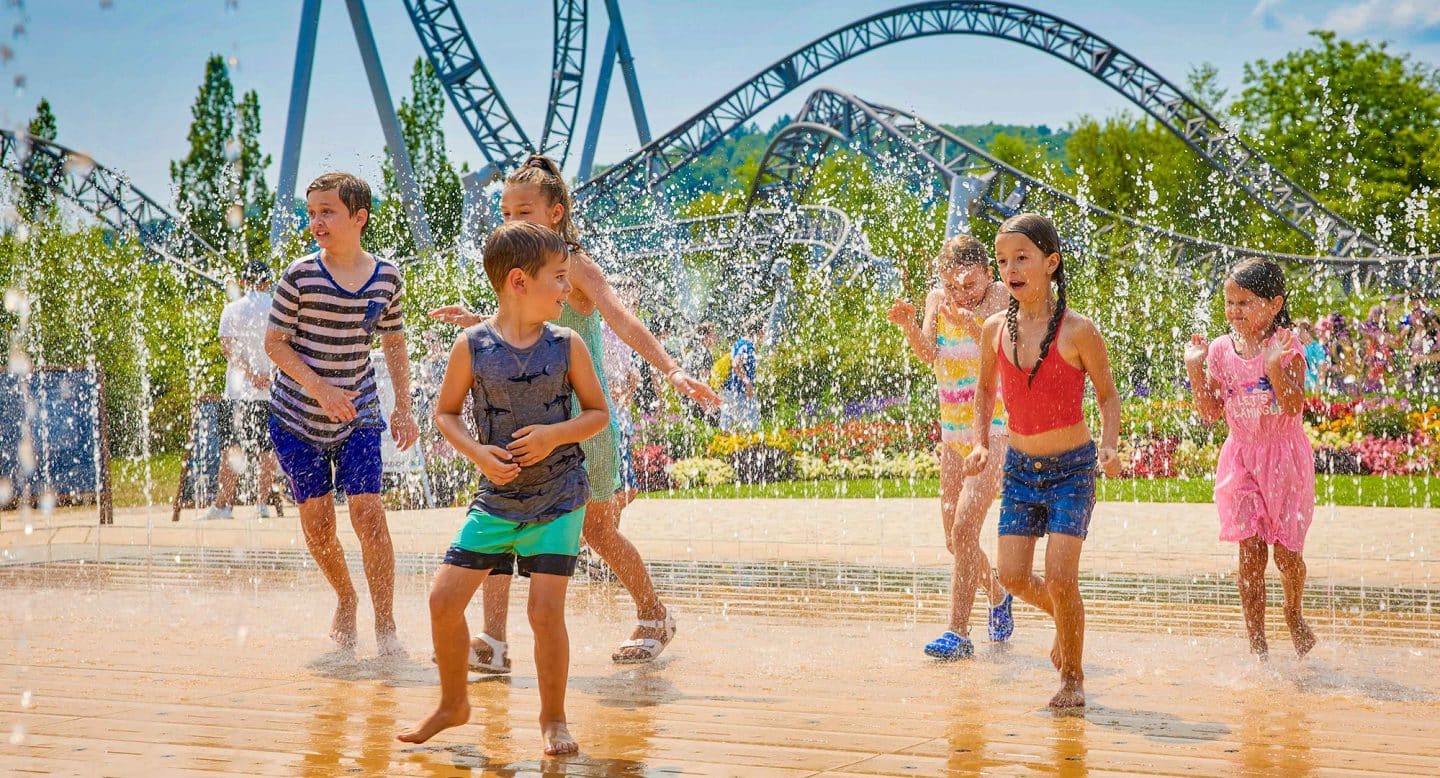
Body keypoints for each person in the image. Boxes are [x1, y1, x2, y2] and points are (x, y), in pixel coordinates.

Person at [429, 155, 721, 668]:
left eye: (524, 211)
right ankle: (493, 642)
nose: (512, 222)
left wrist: (672, 369)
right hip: (523, 419)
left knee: (598, 532)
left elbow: (621, 317)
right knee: (501, 519)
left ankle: (654, 614)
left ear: (556, 212)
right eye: (505, 213)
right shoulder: (517, 268)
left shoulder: (575, 265)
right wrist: (477, 320)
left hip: (582, 422)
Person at [397, 221, 608, 753]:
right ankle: (452, 703)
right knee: (444, 600)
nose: (567, 289)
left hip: (559, 496)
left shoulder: (568, 345)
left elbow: (597, 414)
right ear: (519, 282)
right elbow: (444, 413)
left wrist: (554, 436)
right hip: (496, 500)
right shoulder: (472, 346)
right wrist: (476, 452)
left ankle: (553, 720)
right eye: (557, 278)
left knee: (543, 614)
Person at [967, 213, 1122, 709]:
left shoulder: (1078, 331)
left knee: (1059, 577)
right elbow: (984, 390)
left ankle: (1072, 679)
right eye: (1002, 261)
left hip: (1071, 471)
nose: (1010, 268)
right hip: (1020, 470)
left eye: (1021, 258)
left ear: (1051, 264)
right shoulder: (995, 328)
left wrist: (1112, 445)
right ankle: (1065, 616)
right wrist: (979, 442)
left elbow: (1108, 396)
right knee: (1012, 575)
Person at [264, 172, 420, 657]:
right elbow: (274, 344)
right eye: (311, 213)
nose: (316, 222)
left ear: (359, 218)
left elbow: (393, 342)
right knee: (318, 523)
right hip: (296, 417)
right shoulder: (299, 276)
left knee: (368, 513)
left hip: (359, 411)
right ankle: (346, 599)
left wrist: (405, 409)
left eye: (327, 212)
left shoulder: (388, 277)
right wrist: (320, 388)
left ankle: (387, 625)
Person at [888, 235, 1013, 659]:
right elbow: (929, 353)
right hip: (953, 434)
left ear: (987, 274)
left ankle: (958, 632)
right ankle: (997, 593)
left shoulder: (999, 295)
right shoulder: (937, 298)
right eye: (953, 286)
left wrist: (971, 323)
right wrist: (908, 325)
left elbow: (1005, 352)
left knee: (964, 529)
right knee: (952, 538)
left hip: (994, 429)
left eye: (969, 285)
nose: (961, 294)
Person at [1184, 258, 1316, 661]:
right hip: (1240, 458)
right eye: (1229, 302)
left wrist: (1274, 365)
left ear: (1274, 304)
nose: (1234, 311)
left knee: (1287, 555)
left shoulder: (1287, 346)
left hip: (1285, 459)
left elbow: (1294, 406)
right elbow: (1209, 411)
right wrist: (1194, 368)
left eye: (1244, 302)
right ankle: (1258, 649)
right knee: (1250, 556)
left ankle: (1292, 611)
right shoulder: (1222, 351)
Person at [202, 259, 280, 520]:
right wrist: (268, 375)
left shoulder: (232, 309)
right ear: (268, 282)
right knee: (267, 451)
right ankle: (262, 505)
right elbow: (287, 346)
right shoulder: (278, 308)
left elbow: (228, 348)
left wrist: (250, 374)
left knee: (230, 448)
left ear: (244, 282)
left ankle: (224, 505)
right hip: (270, 392)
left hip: (238, 392)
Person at [719, 320, 763, 433]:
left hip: (730, 391)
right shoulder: (747, 345)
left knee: (728, 428)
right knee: (752, 427)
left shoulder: (738, 343)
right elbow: (735, 363)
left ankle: (723, 448)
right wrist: (747, 382)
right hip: (741, 392)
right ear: (758, 332)